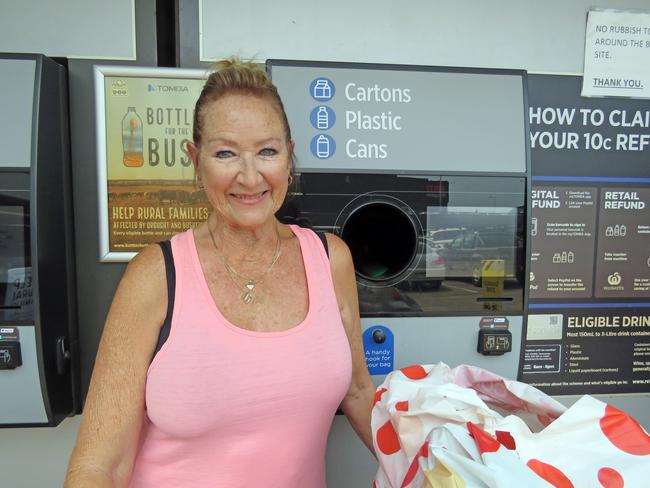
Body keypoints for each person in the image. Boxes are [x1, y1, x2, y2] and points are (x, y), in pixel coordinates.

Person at [65, 59, 376, 487]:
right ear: (196, 160)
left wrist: (433, 464)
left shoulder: (329, 259)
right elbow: (99, 465)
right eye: (225, 153)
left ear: (289, 154)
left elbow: (359, 393)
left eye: (267, 151)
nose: (250, 177)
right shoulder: (156, 275)